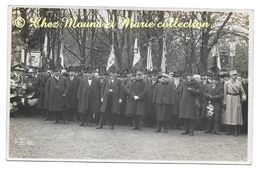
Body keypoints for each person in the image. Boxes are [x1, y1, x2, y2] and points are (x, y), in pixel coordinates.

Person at [223, 70, 246, 136]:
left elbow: (243, 92)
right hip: (229, 98)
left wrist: (243, 98)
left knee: (236, 114)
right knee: (229, 113)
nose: (235, 76)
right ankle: (229, 130)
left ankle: (235, 130)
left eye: (235, 75)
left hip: (236, 98)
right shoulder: (226, 83)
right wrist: (224, 101)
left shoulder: (239, 83)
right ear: (230, 75)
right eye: (233, 75)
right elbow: (225, 93)